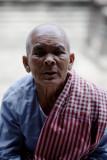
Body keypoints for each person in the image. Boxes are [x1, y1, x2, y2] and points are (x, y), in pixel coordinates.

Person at [0, 24, 107, 160]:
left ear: (71, 61)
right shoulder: (14, 100)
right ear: (26, 63)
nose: (49, 60)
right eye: (39, 53)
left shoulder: (96, 100)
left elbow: (102, 153)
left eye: (58, 52)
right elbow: (7, 153)